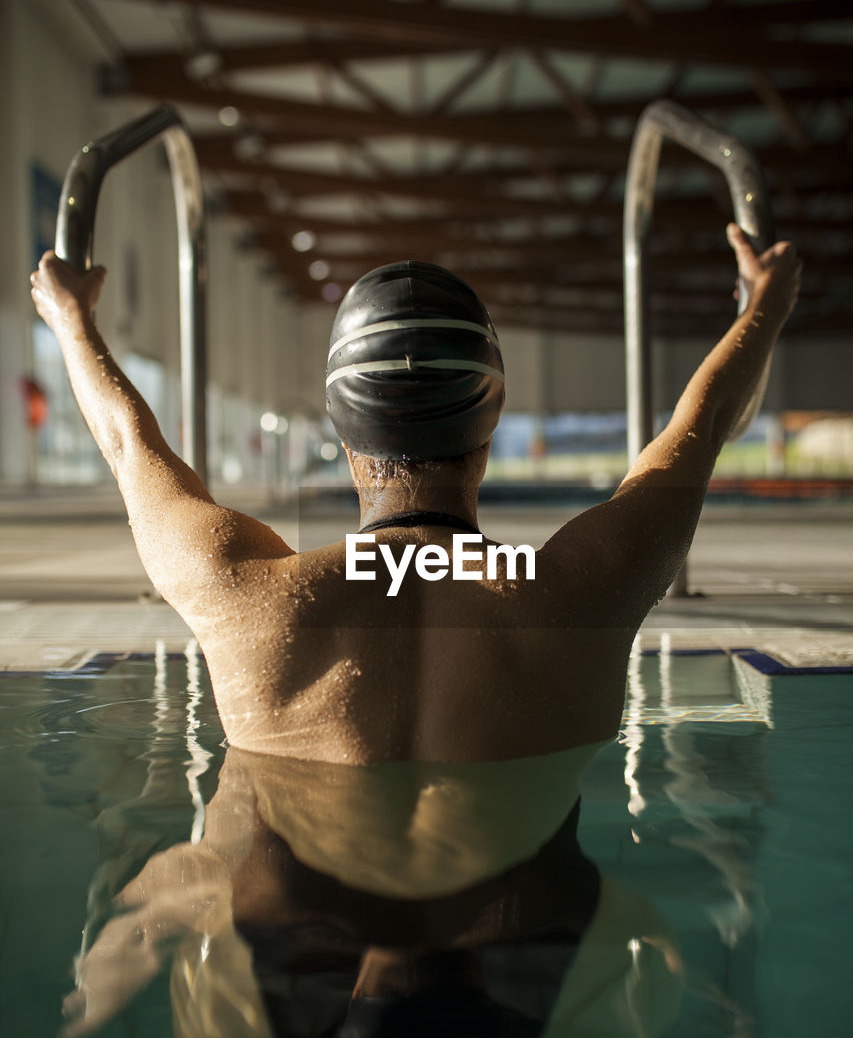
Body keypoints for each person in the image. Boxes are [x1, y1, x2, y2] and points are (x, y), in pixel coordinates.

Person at [30, 225, 801, 766]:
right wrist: (762, 303)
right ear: (489, 425)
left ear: (344, 436)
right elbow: (698, 425)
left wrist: (70, 319)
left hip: (292, 970)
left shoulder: (243, 593)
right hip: (516, 962)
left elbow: (129, 443)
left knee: (179, 889)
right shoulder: (586, 588)